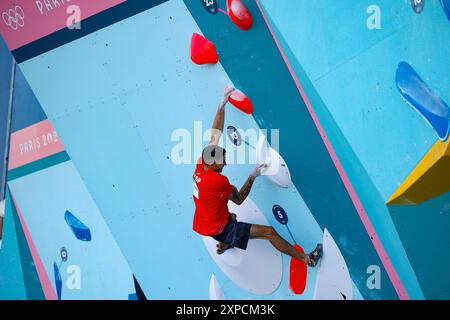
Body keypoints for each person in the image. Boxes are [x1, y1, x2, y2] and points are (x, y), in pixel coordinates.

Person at [192, 87, 323, 267]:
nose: (225, 164)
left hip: (205, 221)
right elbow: (238, 199)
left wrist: (222, 105)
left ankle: (224, 244)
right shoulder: (216, 181)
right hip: (219, 228)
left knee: (231, 215)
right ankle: (307, 259)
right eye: (223, 162)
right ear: (213, 164)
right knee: (269, 232)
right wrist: (253, 175)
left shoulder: (202, 163)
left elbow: (215, 135)